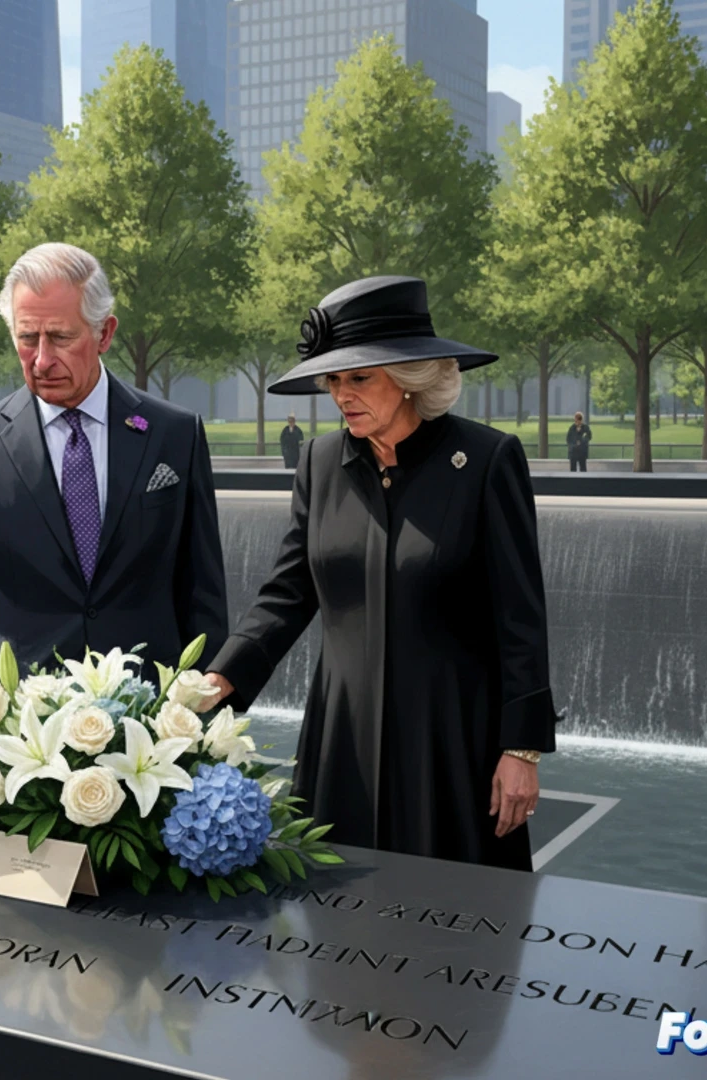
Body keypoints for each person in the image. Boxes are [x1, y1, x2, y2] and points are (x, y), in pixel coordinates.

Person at [199, 275, 557, 871]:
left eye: (359, 377)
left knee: (458, 932)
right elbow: (287, 594)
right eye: (333, 380)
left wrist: (522, 749)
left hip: (452, 744)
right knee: (333, 931)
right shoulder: (319, 462)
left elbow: (521, 618)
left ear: (412, 376)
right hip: (342, 742)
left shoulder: (488, 462)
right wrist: (216, 681)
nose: (342, 395)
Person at [0, 242, 229, 712]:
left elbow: (202, 594)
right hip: (12, 729)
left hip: (151, 720)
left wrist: (204, 724)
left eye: (61, 338)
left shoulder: (175, 435)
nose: (41, 359)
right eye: (27, 338)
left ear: (105, 333)